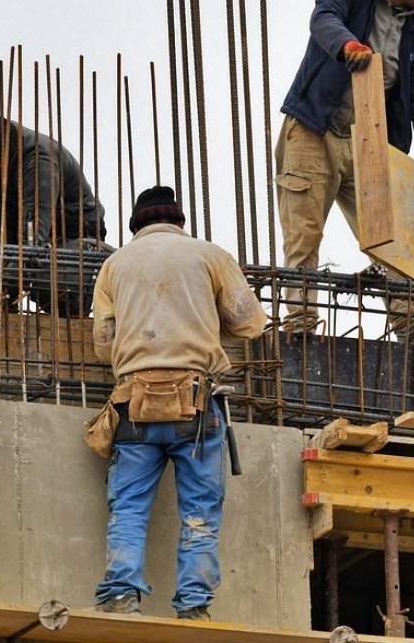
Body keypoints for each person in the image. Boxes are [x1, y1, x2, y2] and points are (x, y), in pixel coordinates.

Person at [275, 0, 414, 347]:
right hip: (314, 131)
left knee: (392, 235)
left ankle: (411, 330)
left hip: (370, 141)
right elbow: (324, 19)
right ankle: (302, 331)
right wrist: (347, 45)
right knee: (304, 236)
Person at [91, 185, 265, 620]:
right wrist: (204, 325)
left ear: (136, 227)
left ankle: (120, 597)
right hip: (196, 404)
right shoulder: (210, 256)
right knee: (200, 513)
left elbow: (102, 344)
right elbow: (250, 324)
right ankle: (193, 608)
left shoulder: (114, 265)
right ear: (180, 222)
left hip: (135, 405)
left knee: (128, 508)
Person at [0, 108, 110, 316]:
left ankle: (11, 293)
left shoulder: (38, 160)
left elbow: (32, 246)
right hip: (21, 230)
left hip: (72, 238)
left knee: (47, 279)